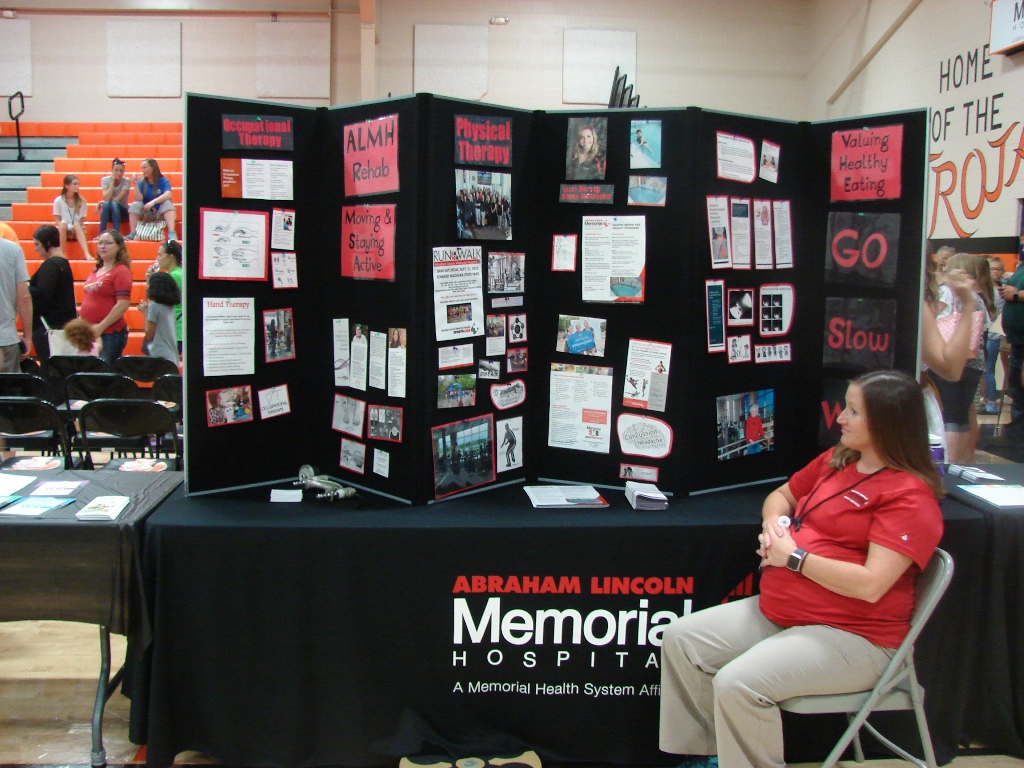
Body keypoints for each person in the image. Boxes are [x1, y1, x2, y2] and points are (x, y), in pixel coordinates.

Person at [659, 369, 943, 768]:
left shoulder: (909, 497)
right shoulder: (838, 460)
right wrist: (773, 528)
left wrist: (794, 558)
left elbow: (871, 585)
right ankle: (706, 758)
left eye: (853, 411)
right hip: (787, 613)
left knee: (738, 683)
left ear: (887, 423)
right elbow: (781, 495)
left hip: (857, 636)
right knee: (682, 640)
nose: (840, 417)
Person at [926, 252, 991, 463]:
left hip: (950, 356)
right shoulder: (976, 297)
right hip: (975, 361)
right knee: (963, 414)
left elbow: (935, 319)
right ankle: (963, 461)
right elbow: (986, 326)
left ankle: (949, 462)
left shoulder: (946, 294)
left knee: (950, 415)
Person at [80, 230, 132, 368]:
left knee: (104, 372)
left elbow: (122, 304)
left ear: (119, 246)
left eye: (108, 243)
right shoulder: (95, 271)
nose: (103, 246)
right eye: (100, 243)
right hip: (91, 332)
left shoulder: (121, 271)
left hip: (109, 333)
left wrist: (100, 327)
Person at [27, 225, 76, 366]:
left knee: (51, 370)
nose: (35, 248)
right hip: (60, 325)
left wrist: (24, 289)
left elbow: (43, 295)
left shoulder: (51, 265)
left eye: (37, 244)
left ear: (47, 243)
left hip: (49, 327)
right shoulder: (62, 263)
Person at [994, 239, 1024, 444]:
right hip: (1017, 338)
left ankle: (1017, 435)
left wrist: (1016, 294)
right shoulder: (1021, 266)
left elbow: (1017, 294)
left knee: (1020, 386)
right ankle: (1015, 433)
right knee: (1016, 387)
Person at [0, 236, 32, 372]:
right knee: (9, 384)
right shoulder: (13, 250)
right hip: (5, 337)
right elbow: (24, 298)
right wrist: (27, 336)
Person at [128, 158, 177, 241]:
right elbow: (138, 199)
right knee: (134, 205)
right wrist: (135, 185)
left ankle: (171, 232)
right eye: (142, 168)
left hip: (160, 212)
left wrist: (153, 202)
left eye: (145, 167)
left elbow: (168, 194)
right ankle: (133, 233)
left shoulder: (163, 181)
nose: (142, 170)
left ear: (153, 168)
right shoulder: (142, 182)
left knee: (168, 203)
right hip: (146, 213)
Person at [981, 256, 1006, 414]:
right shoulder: (984, 288)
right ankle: (986, 399)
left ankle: (991, 402)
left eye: (998, 269)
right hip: (985, 332)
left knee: (988, 368)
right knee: (985, 369)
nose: (995, 272)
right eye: (992, 269)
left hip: (994, 333)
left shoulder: (1003, 289)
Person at [144, 272, 181, 366]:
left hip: (159, 354)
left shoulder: (154, 307)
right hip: (172, 355)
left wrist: (145, 313)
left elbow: (149, 335)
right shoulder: (170, 307)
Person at [52, 174, 91, 259]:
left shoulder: (81, 201)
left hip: (76, 230)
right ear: (67, 186)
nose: (77, 186)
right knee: (63, 224)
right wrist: (67, 228)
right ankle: (60, 254)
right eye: (74, 184)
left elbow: (81, 220)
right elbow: (57, 220)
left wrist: (73, 229)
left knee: (77, 225)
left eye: (78, 184)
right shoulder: (58, 201)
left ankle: (87, 254)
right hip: (64, 230)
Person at [155, 240, 183, 353]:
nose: (157, 259)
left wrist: (151, 280)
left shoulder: (173, 277)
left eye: (160, 255)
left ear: (171, 257)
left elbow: (157, 300)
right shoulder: (176, 274)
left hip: (175, 329)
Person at [97, 158, 131, 235]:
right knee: (106, 204)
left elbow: (117, 199)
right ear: (112, 170)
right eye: (116, 170)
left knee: (114, 204)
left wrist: (101, 202)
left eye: (121, 171)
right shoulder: (105, 180)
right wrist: (112, 183)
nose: (119, 173)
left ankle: (116, 233)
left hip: (122, 212)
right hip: (109, 211)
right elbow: (106, 198)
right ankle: (101, 233)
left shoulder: (126, 181)